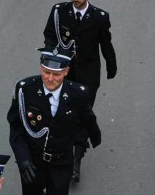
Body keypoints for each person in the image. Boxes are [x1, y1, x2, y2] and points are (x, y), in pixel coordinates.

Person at [43, 0, 117, 183]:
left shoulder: (99, 17)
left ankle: (76, 162)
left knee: (82, 115)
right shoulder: (59, 12)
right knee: (60, 111)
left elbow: (105, 43)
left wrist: (111, 66)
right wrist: (51, 56)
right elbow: (49, 35)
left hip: (88, 73)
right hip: (63, 71)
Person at [6, 47, 101, 195]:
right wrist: (23, 159)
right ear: (40, 68)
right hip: (33, 163)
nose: (50, 78)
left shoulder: (78, 94)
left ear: (66, 72)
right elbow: (16, 126)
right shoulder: (25, 90)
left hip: (61, 164)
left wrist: (86, 145)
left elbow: (87, 122)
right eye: (46, 72)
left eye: (56, 74)